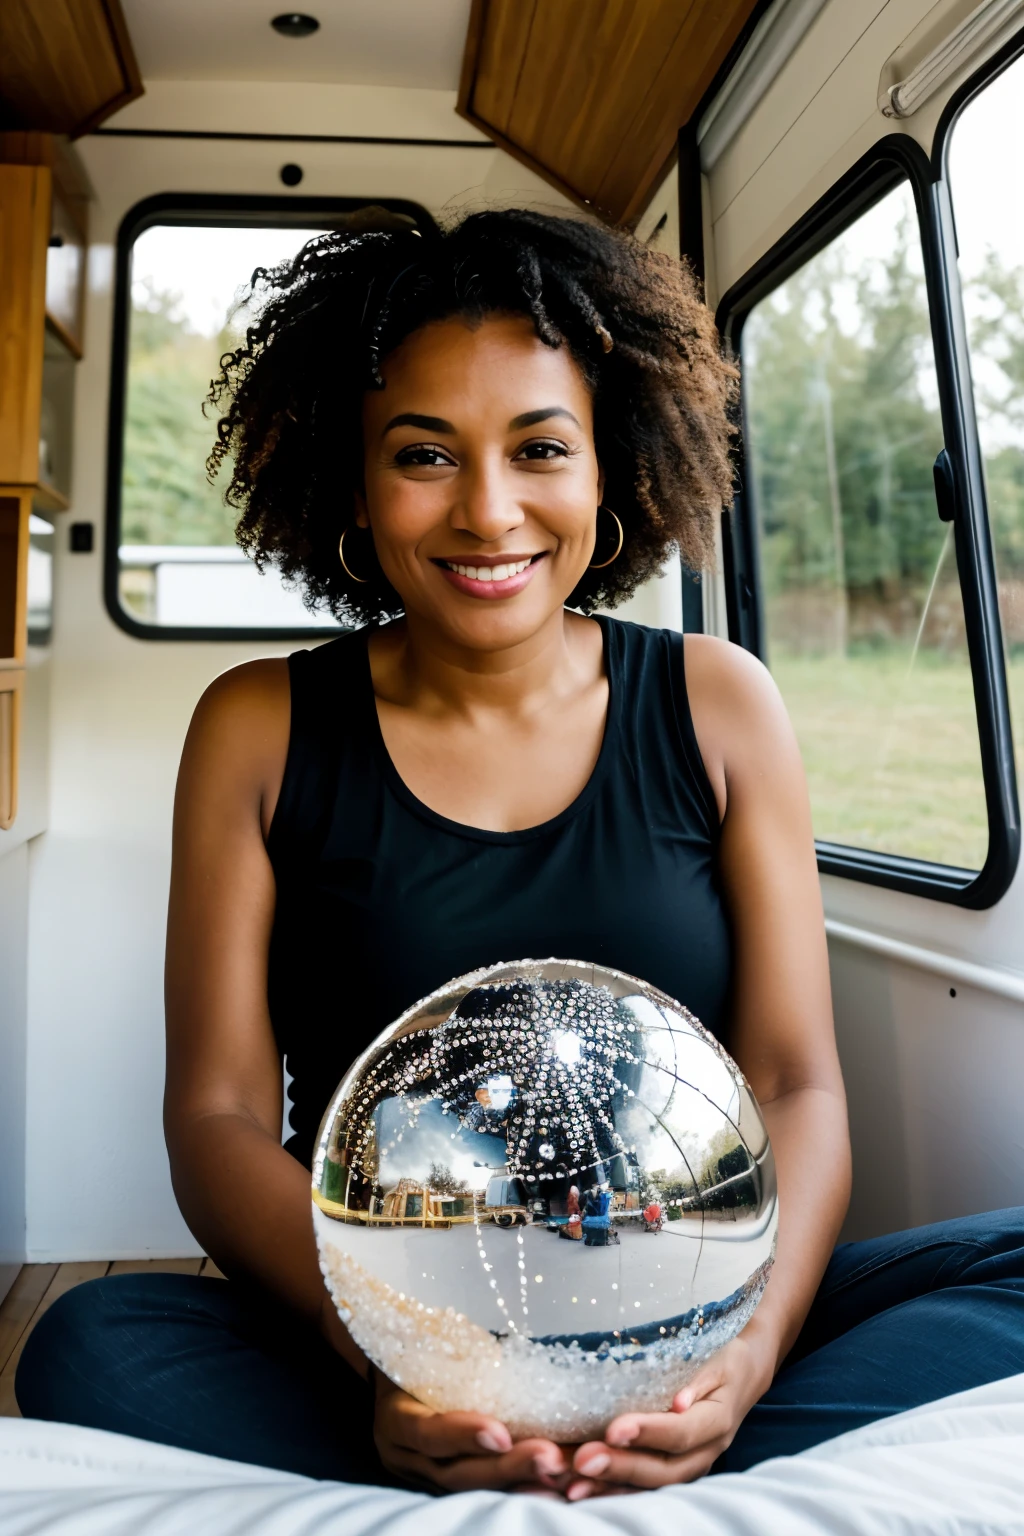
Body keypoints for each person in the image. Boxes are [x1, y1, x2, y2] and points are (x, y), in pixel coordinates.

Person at [16, 208, 1024, 1500]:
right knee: (87, 1342)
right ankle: (504, 1460)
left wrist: (754, 1355)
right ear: (354, 485)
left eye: (540, 447)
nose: (488, 512)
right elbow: (214, 1118)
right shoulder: (257, 728)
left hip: (690, 1306)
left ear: (611, 471)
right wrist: (382, 1354)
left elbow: (795, 1084)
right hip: (377, 1323)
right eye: (424, 454)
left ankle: (660, 1447)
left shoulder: (720, 707)